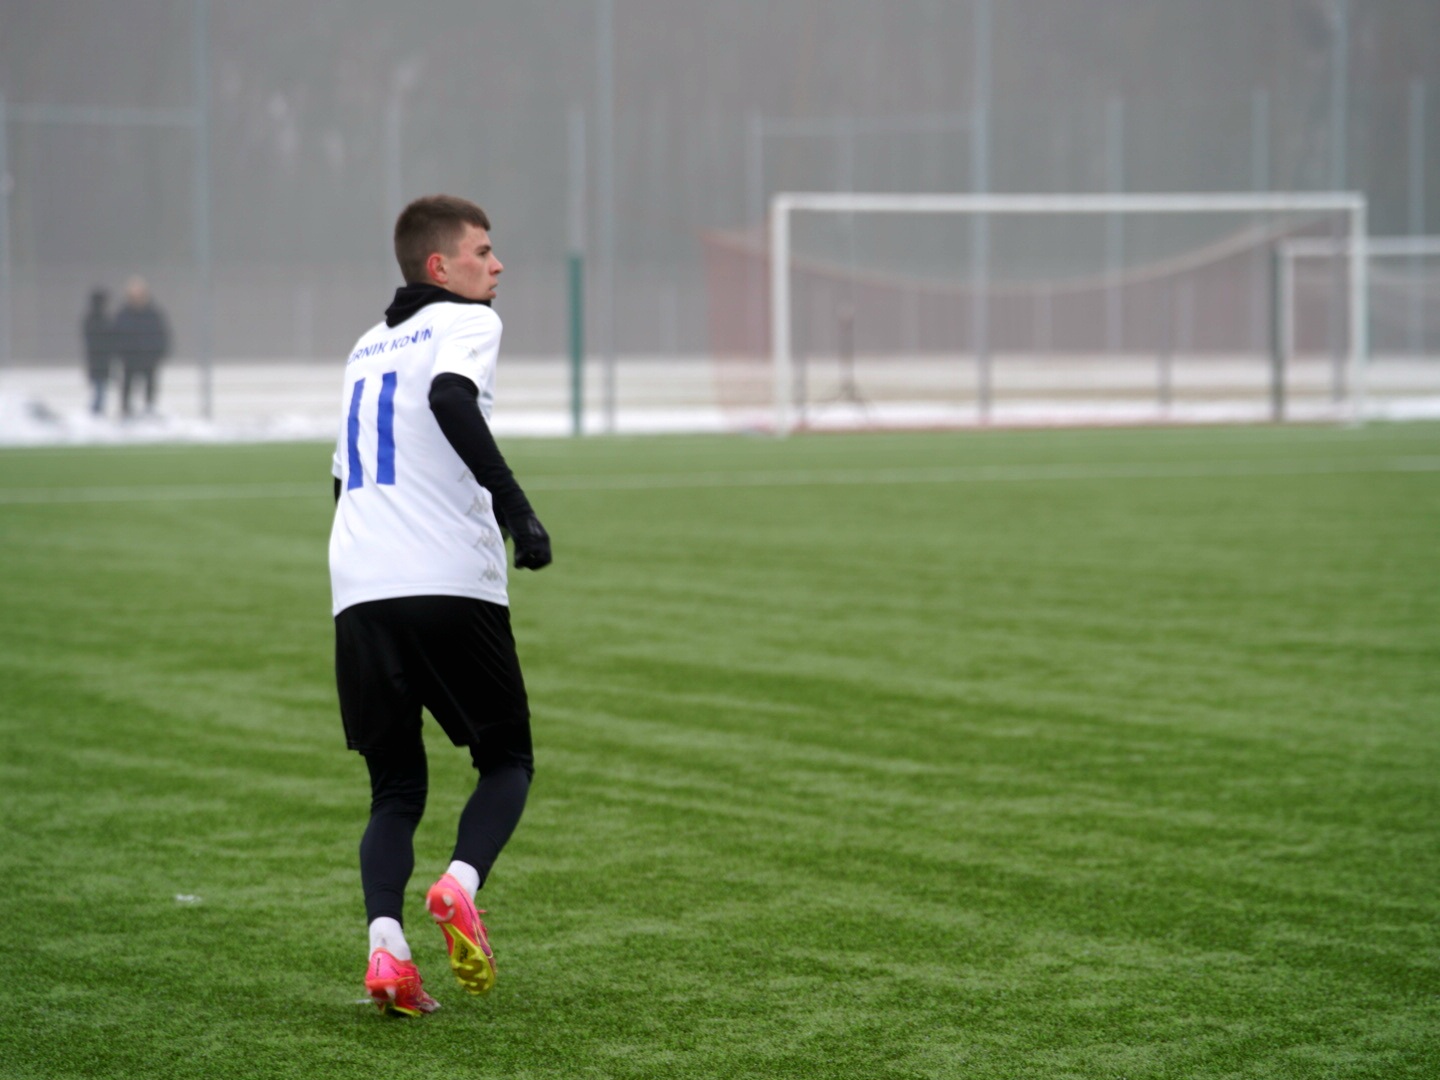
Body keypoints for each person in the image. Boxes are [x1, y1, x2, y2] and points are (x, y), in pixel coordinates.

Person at [328, 194, 552, 1017]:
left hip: (358, 588)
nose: (497, 265)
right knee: (507, 759)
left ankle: (386, 950)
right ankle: (459, 884)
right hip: (446, 577)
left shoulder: (365, 345)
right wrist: (517, 511)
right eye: (482, 251)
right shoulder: (468, 322)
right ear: (440, 267)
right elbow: (452, 400)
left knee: (394, 789)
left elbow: (339, 479)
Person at [111, 276, 170, 417]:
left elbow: (161, 334)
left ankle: (149, 409)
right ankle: (126, 410)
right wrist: (120, 352)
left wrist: (159, 352)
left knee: (150, 386)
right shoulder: (123, 315)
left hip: (148, 357)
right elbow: (115, 336)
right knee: (127, 385)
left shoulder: (153, 314)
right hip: (129, 358)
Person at [80, 289, 114, 415]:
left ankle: (97, 411)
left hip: (97, 358)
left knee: (99, 387)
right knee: (99, 388)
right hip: (100, 358)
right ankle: (96, 411)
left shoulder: (91, 318)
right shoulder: (100, 319)